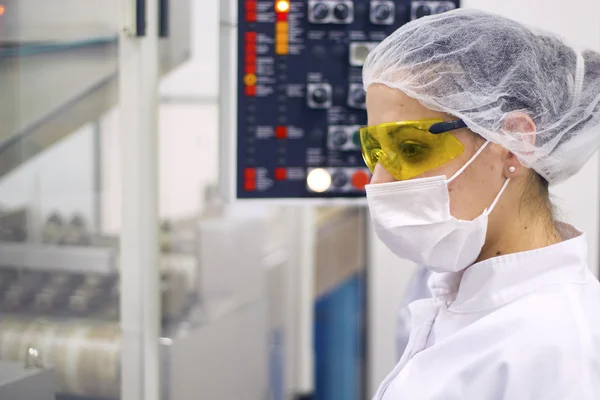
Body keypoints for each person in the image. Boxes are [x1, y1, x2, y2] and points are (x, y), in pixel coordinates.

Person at [360, 8, 600, 399]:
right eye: (375, 152)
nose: (379, 182)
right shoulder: (447, 287)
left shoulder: (562, 349)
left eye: (411, 148)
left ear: (514, 142)